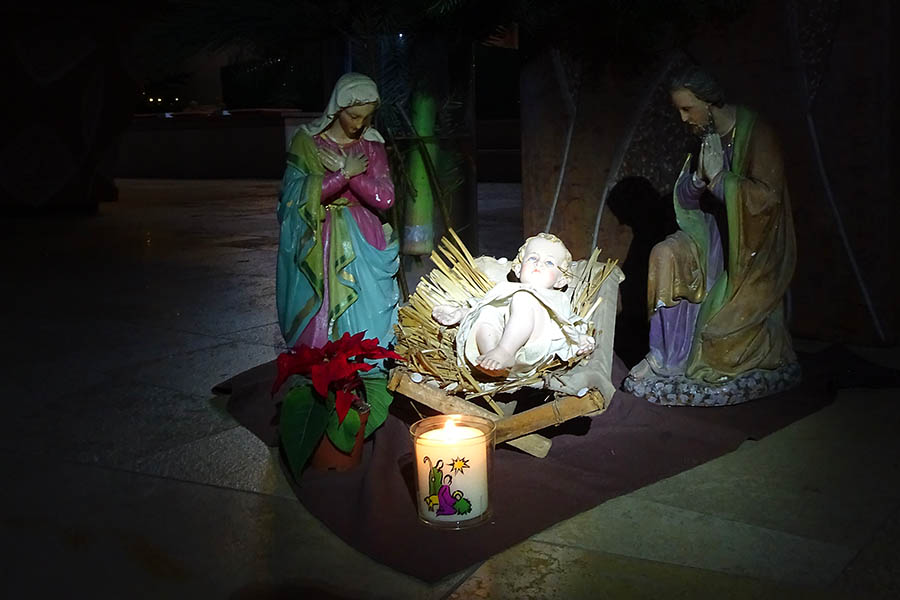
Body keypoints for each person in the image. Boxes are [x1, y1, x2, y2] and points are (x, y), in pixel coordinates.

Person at [628, 65, 798, 390]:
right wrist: (697, 181)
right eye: (679, 109)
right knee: (664, 254)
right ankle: (665, 356)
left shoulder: (757, 133)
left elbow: (767, 201)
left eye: (687, 108)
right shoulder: (704, 136)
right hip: (709, 239)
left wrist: (721, 181)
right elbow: (687, 198)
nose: (683, 118)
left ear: (708, 102)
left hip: (749, 253)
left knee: (719, 342)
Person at [276, 73, 399, 353]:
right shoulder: (307, 142)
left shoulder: (372, 144)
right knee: (324, 307)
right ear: (337, 109)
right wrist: (342, 175)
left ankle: (368, 362)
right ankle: (321, 364)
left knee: (369, 309)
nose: (359, 124)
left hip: (364, 235)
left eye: (366, 117)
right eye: (354, 116)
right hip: (321, 236)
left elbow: (386, 197)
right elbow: (292, 196)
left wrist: (352, 176)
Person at [433, 233, 594, 378]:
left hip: (532, 348)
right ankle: (491, 354)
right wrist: (461, 313)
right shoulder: (506, 289)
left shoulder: (556, 299)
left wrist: (581, 338)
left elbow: (569, 322)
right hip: (496, 355)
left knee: (523, 298)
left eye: (549, 262)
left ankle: (505, 351)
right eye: (532, 258)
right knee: (488, 310)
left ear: (561, 280)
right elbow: (482, 306)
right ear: (518, 268)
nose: (539, 264)